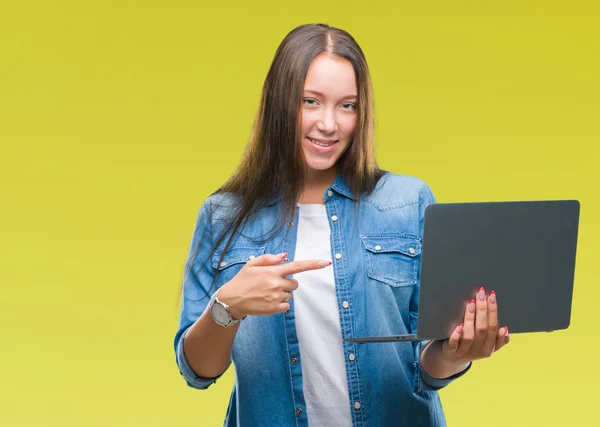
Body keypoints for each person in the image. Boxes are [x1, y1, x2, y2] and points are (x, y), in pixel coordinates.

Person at [174, 23, 510, 427]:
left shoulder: (406, 202)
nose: (329, 124)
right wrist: (227, 307)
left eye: (347, 105)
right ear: (280, 104)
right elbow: (198, 370)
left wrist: (455, 355)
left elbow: (425, 368)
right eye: (310, 101)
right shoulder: (224, 216)